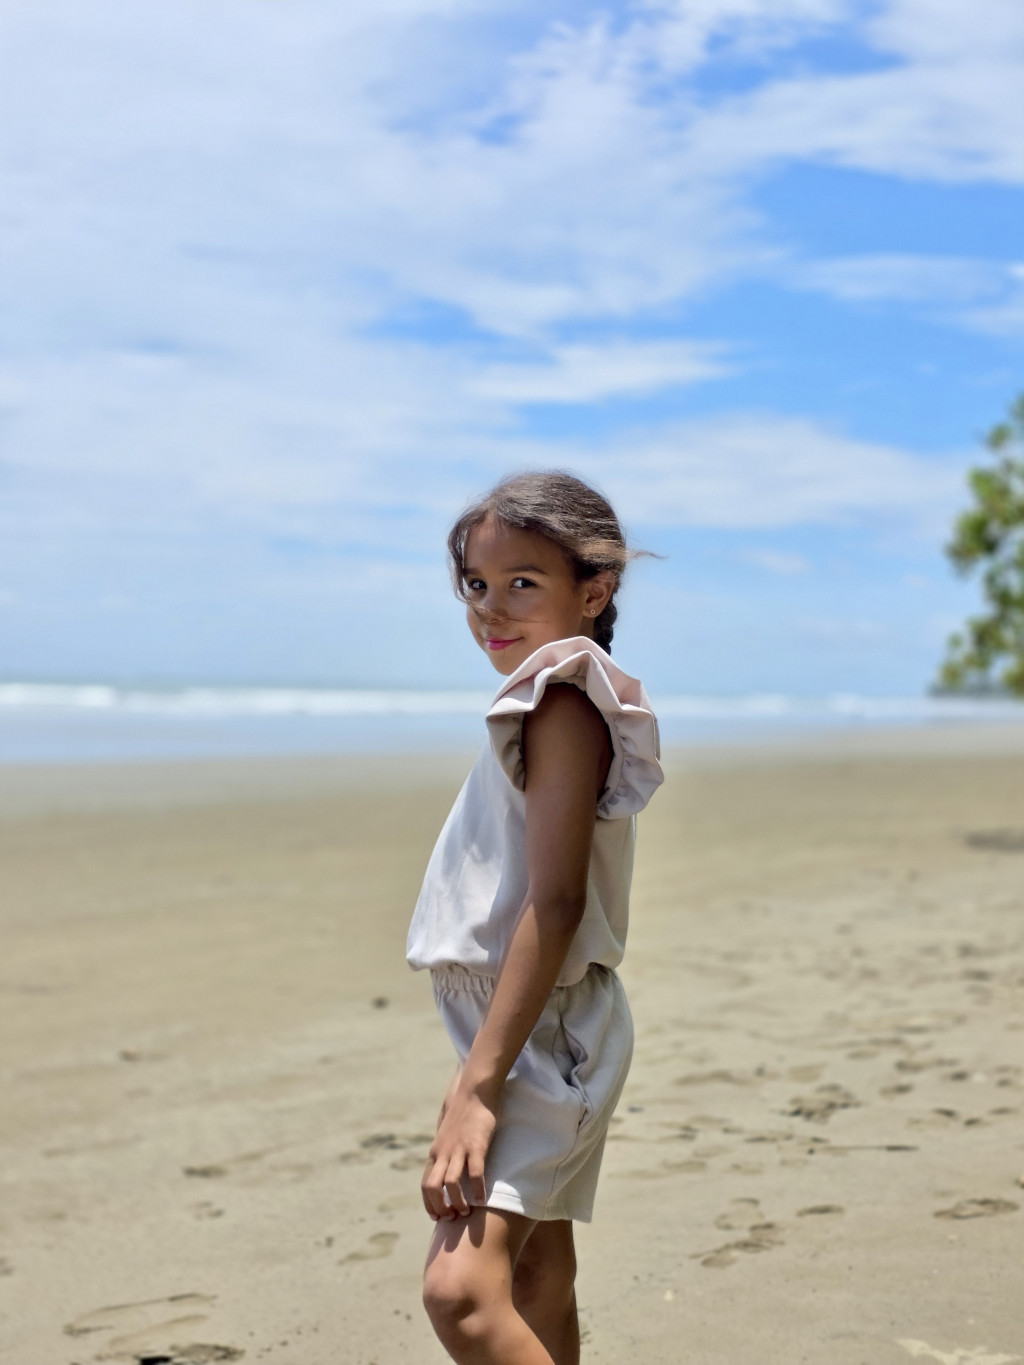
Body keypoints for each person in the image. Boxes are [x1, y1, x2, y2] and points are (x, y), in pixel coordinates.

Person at [406, 470, 664, 1364]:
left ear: (594, 591)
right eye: (477, 583)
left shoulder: (561, 697)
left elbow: (556, 902)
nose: (490, 606)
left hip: (542, 1029)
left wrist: (479, 1086)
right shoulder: (543, 695)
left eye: (523, 581)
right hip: (522, 1017)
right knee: (538, 1272)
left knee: (461, 1291)